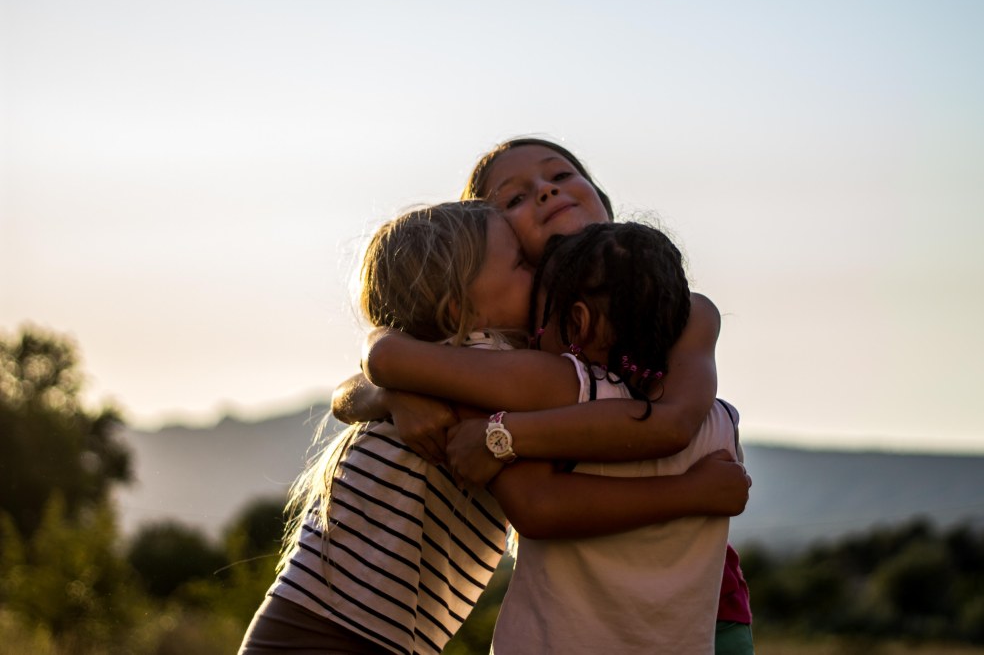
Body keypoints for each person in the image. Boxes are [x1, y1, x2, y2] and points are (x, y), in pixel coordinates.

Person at [240, 201, 750, 655]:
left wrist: (390, 386)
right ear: (460, 308)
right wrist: (690, 490)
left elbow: (382, 359)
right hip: (335, 635)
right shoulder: (496, 369)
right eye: (524, 263)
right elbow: (386, 359)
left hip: (315, 625)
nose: (543, 272)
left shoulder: (460, 370)